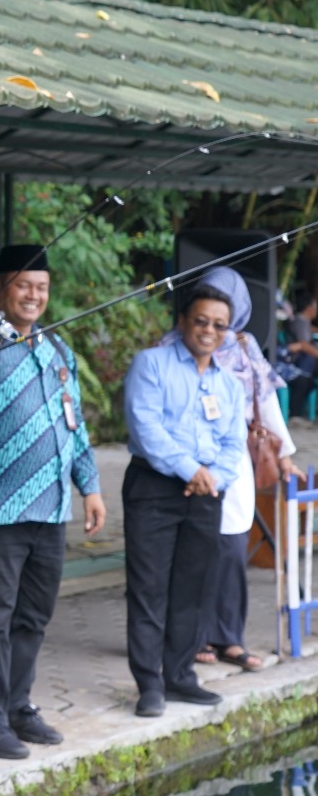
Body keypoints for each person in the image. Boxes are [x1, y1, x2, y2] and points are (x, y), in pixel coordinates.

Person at [0, 244, 105, 760]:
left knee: (33, 616)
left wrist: (90, 486)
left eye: (42, 287)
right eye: (24, 285)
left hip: (50, 511)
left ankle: (16, 705)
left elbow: (74, 426)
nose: (34, 295)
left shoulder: (56, 351)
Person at [157, 269, 297, 674]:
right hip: (186, 464)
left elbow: (264, 399)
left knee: (232, 550)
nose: (212, 326)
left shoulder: (244, 344)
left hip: (233, 463)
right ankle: (193, 636)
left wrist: (285, 453)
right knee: (191, 553)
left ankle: (229, 637)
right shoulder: (172, 343)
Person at [123, 284, 247, 718]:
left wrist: (211, 477)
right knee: (149, 589)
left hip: (206, 492)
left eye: (219, 325)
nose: (209, 331)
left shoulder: (228, 384)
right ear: (182, 322)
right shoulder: (151, 364)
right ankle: (149, 684)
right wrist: (190, 470)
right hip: (154, 487)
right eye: (201, 321)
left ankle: (180, 677)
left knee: (193, 589)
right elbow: (146, 429)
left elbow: (236, 442)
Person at [281, 290, 318, 416]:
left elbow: (312, 330)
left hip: (303, 366)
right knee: (306, 378)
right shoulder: (300, 321)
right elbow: (304, 345)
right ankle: (295, 414)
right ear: (309, 308)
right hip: (296, 363)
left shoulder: (304, 322)